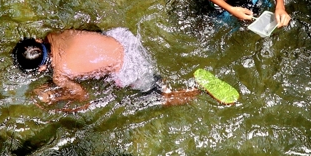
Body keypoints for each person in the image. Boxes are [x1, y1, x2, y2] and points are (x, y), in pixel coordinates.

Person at [12, 28, 200, 107]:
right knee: (157, 82)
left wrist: (55, 97)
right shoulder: (54, 35)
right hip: (122, 37)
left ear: (41, 69)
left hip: (127, 67)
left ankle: (198, 92)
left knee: (161, 98)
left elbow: (82, 97)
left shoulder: (59, 76)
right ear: (37, 41)